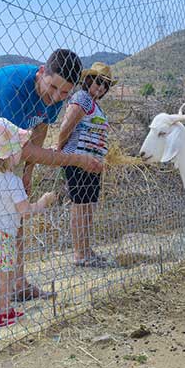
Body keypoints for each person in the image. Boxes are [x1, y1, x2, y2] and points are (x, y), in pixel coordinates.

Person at [0, 49, 103, 302]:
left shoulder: (56, 96)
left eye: (65, 92)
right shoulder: (13, 88)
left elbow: (40, 127)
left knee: (15, 213)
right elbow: (22, 149)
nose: (56, 96)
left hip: (9, 148)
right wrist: (76, 160)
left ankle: (18, 283)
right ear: (41, 72)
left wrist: (28, 172)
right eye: (53, 87)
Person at [0, 118, 56, 329]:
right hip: (2, 235)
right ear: (9, 154)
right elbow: (25, 211)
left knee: (4, 275)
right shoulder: (12, 181)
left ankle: (5, 310)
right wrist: (43, 202)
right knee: (3, 279)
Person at [55, 62, 115, 267]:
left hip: (93, 163)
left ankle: (86, 250)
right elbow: (67, 126)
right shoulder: (81, 98)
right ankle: (80, 254)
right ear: (88, 80)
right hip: (78, 160)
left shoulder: (94, 104)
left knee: (88, 207)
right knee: (80, 206)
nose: (101, 87)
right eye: (98, 81)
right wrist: (59, 150)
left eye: (105, 85)